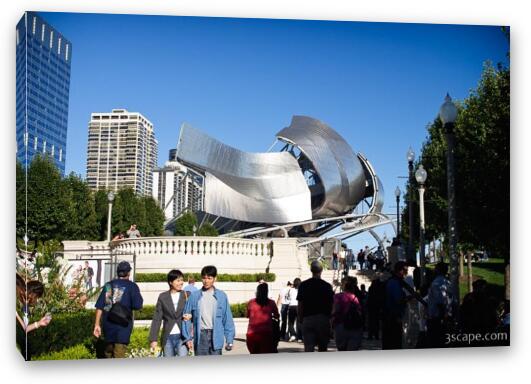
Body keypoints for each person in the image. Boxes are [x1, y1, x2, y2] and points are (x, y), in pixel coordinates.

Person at [93, 261, 143, 358]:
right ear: (128, 273)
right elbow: (138, 305)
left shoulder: (108, 286)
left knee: (107, 355)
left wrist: (97, 324)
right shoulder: (132, 286)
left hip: (108, 328)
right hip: (123, 329)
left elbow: (100, 306)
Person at [182, 265, 235, 356]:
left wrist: (229, 339)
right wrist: (188, 338)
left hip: (216, 334)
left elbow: (227, 319)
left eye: (209, 278)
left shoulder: (221, 296)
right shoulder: (194, 296)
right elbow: (186, 317)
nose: (206, 281)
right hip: (200, 336)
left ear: (215, 279)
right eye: (204, 278)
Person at [149, 269, 191, 357]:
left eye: (182, 280)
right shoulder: (163, 297)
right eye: (178, 280)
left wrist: (191, 315)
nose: (181, 283)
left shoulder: (187, 295)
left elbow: (195, 312)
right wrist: (153, 339)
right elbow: (157, 319)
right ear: (171, 282)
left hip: (182, 336)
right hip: (167, 337)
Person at [297, 261, 334, 352]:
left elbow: (300, 304)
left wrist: (300, 319)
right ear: (321, 270)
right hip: (323, 319)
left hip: (308, 318)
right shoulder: (327, 286)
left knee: (309, 348)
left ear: (311, 270)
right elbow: (332, 305)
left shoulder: (303, 285)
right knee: (323, 348)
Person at [16, 274, 52, 360]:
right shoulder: (18, 306)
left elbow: (25, 328)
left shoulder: (25, 307)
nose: (37, 300)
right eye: (37, 296)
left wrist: (39, 323)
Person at [382, 261, 409, 350]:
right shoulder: (394, 283)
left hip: (390, 317)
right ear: (400, 271)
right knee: (394, 344)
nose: (406, 273)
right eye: (405, 270)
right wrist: (409, 298)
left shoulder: (394, 282)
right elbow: (398, 300)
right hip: (392, 318)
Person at [246, 283, 280, 354]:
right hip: (266, 334)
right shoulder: (271, 303)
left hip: (252, 334)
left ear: (257, 292)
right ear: (267, 292)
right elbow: (277, 316)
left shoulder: (251, 302)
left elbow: (248, 315)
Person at [332, 276, 363, 351]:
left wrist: (331, 324)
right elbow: (359, 312)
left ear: (343, 287)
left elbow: (334, 310)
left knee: (341, 350)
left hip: (340, 325)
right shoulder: (354, 297)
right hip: (353, 326)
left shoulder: (337, 296)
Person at [426, 262, 452, 348]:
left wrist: (443, 318)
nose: (434, 270)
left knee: (436, 343)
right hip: (443, 317)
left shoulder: (437, 283)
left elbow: (440, 302)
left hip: (437, 319)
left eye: (435, 268)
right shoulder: (447, 281)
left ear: (438, 270)